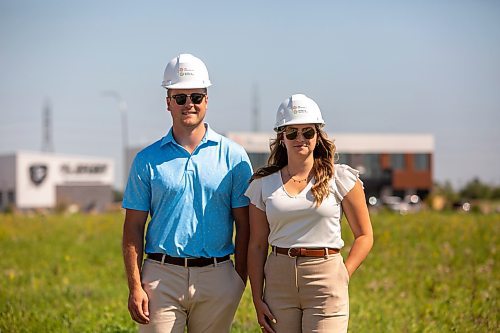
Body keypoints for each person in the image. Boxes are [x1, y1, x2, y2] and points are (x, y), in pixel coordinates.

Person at [122, 53, 252, 333]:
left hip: (218, 277)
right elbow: (133, 227)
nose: (188, 104)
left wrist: (238, 280)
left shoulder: (234, 157)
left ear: (207, 99)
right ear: (167, 102)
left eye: (196, 96)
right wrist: (135, 286)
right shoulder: (147, 160)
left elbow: (245, 224)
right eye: (180, 98)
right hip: (161, 276)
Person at [246, 94, 374, 333]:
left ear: (318, 136)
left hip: (326, 277)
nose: (300, 139)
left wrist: (343, 275)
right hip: (278, 281)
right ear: (282, 137)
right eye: (292, 132)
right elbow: (257, 246)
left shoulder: (342, 178)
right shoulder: (263, 184)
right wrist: (256, 297)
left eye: (308, 132)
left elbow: (365, 235)